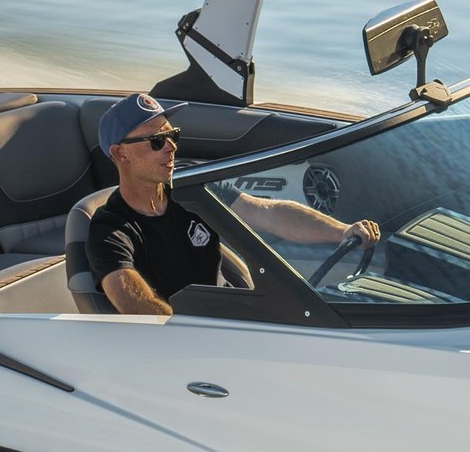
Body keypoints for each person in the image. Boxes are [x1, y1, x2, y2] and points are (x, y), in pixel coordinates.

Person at [84, 92, 380, 315]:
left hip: (239, 316)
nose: (172, 146)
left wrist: (342, 231)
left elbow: (268, 213)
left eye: (172, 134)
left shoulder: (191, 187)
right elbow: (132, 301)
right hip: (199, 339)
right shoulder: (110, 229)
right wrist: (189, 332)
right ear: (121, 155)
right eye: (157, 141)